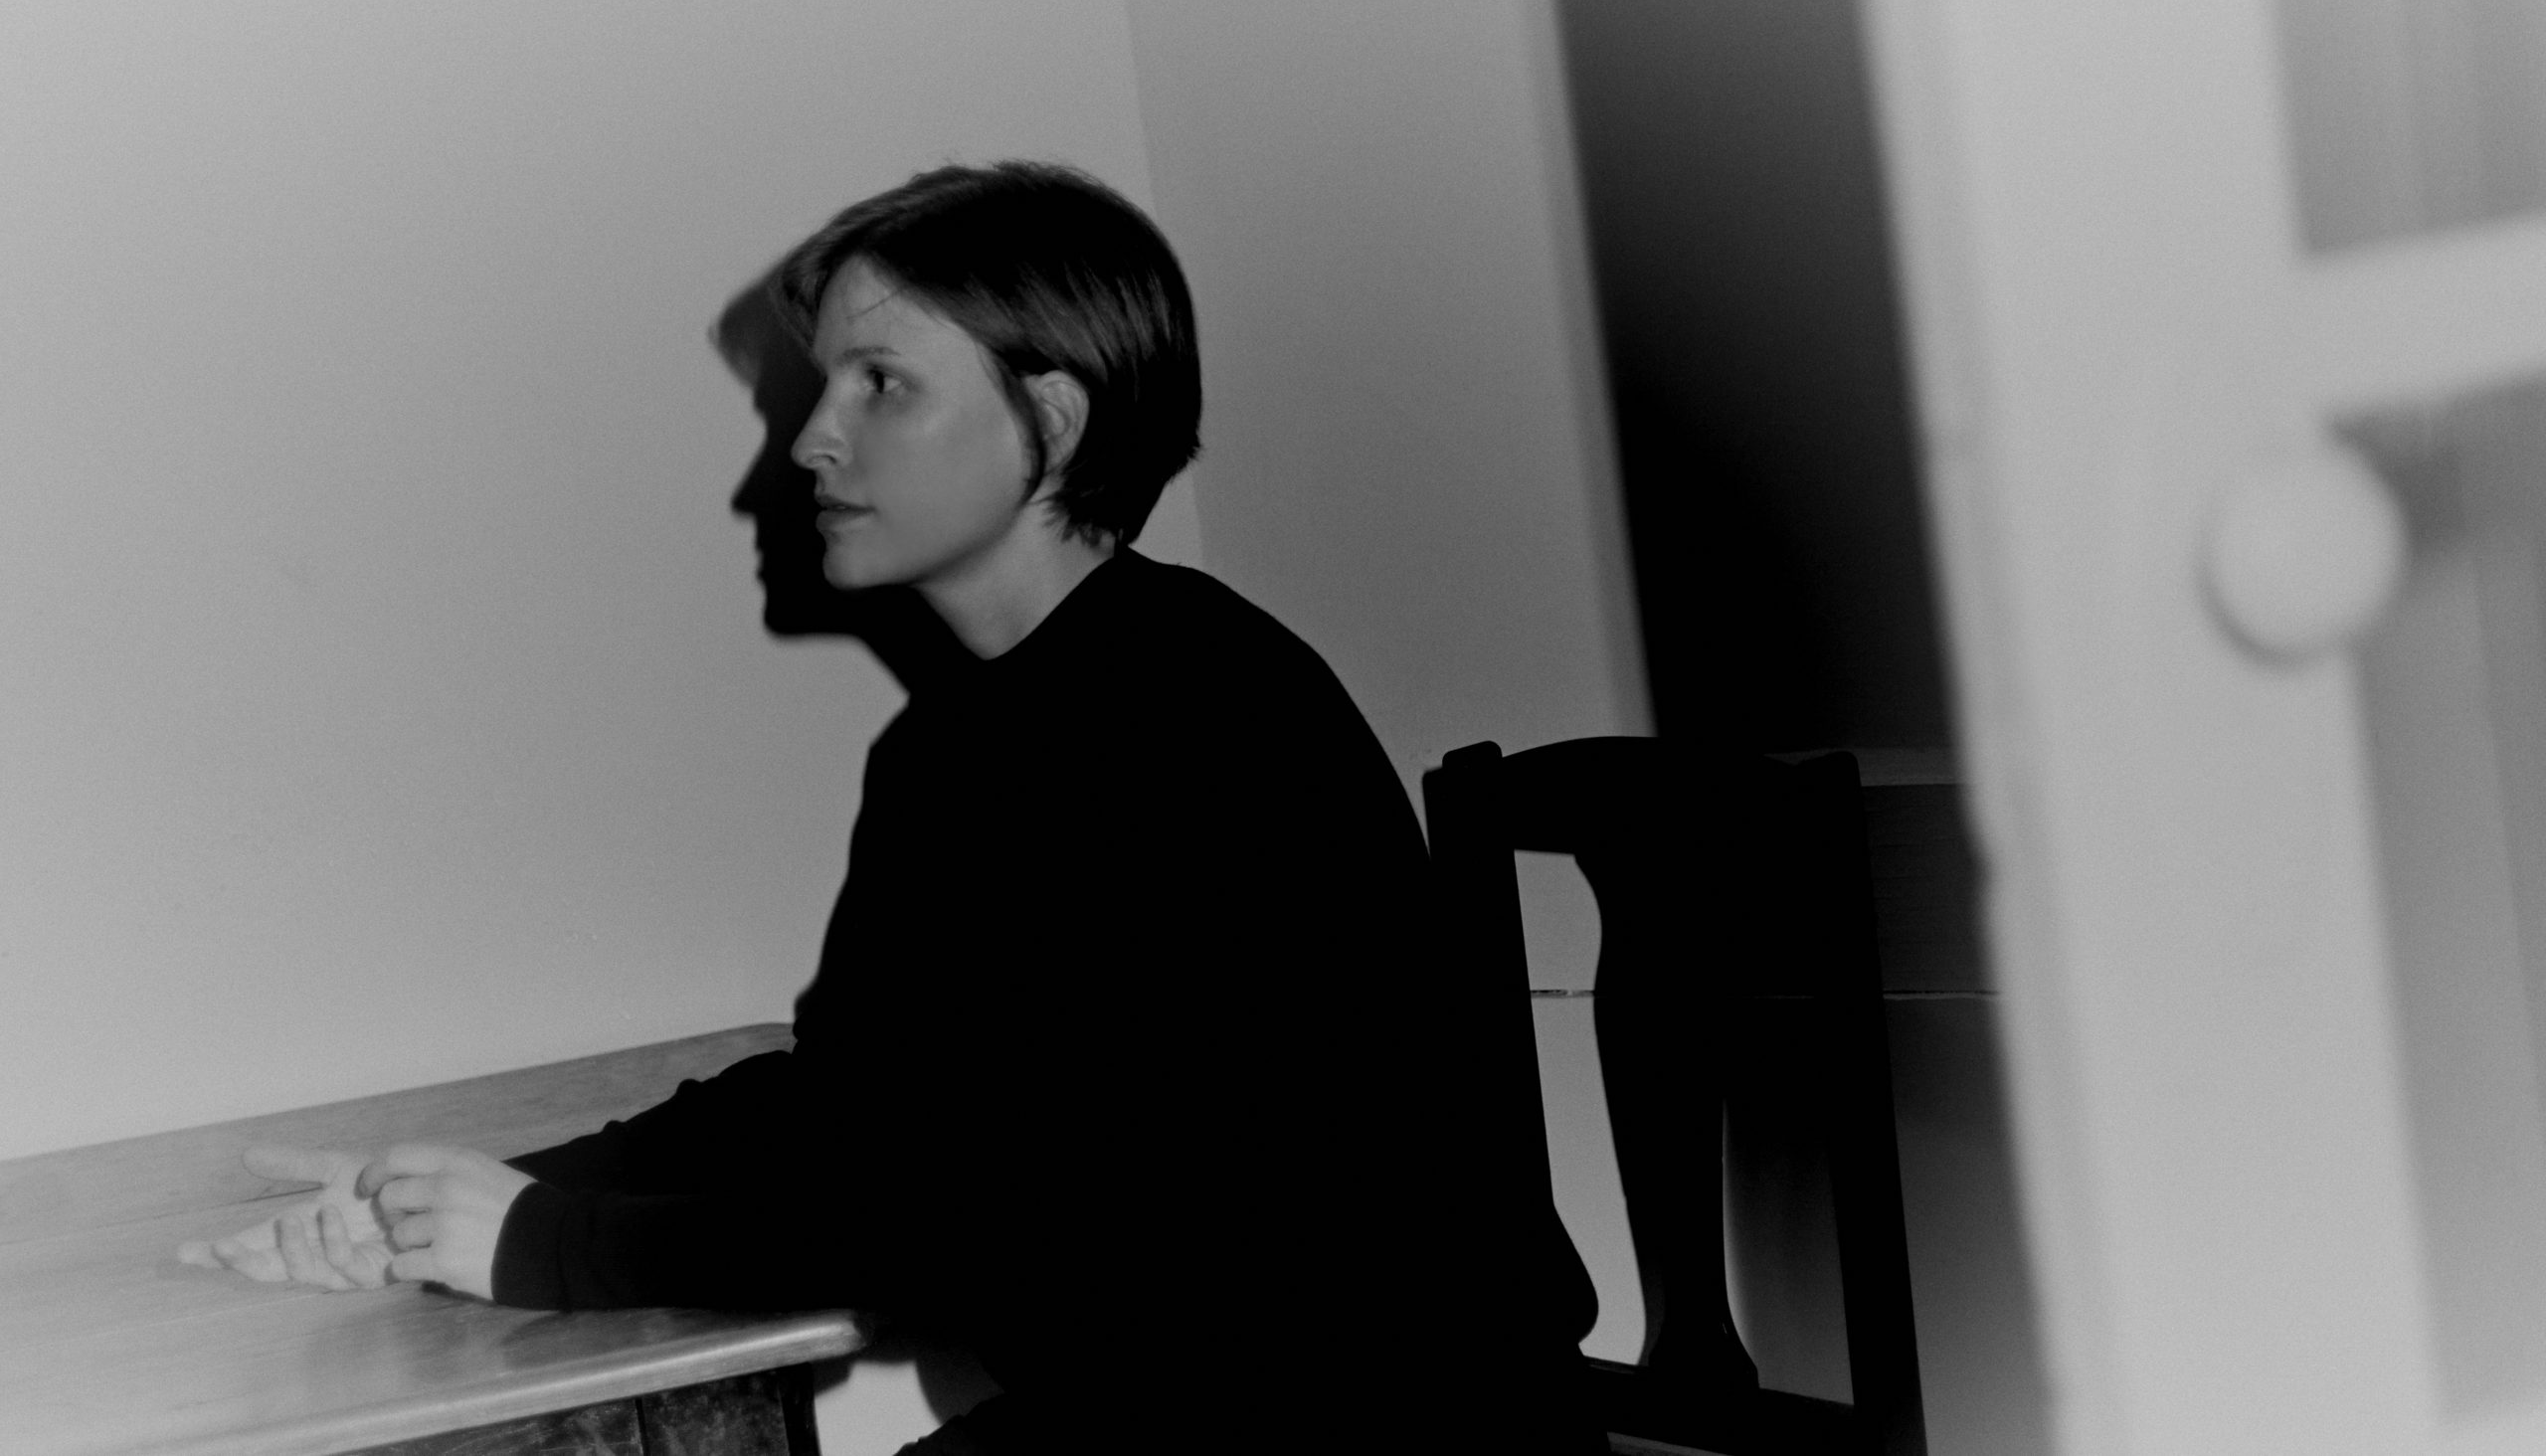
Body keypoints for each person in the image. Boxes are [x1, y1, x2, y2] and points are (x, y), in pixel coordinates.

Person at [188, 161, 1601, 1452]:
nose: (809, 442)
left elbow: (964, 1215)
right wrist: (462, 1189)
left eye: (882, 384)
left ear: (1049, 421)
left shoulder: (1195, 717)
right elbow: (855, 1104)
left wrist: (548, 1245)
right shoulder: (963, 742)